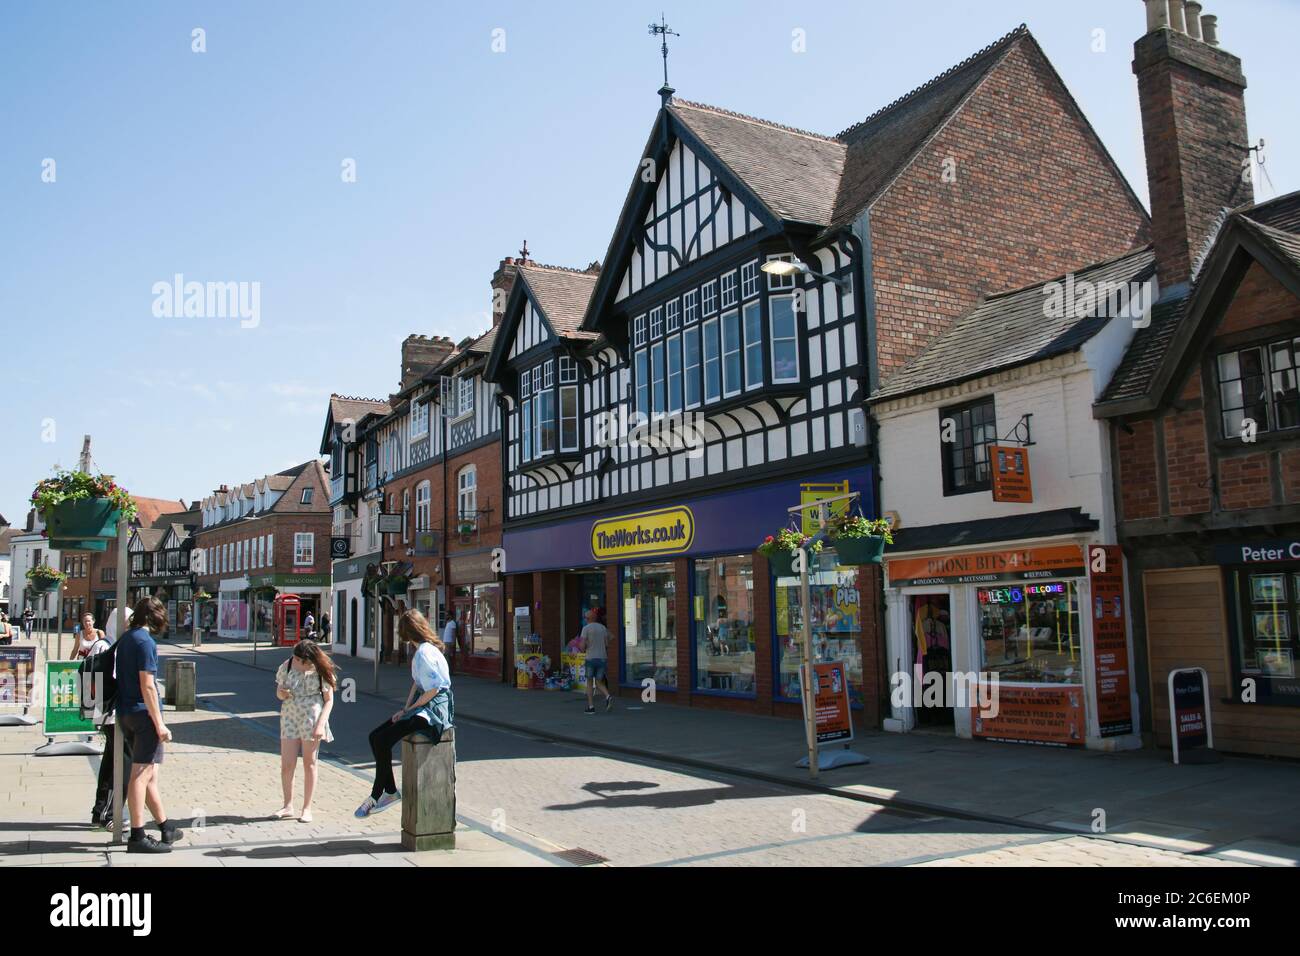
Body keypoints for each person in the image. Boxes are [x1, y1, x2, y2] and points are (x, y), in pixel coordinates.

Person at [355, 609, 452, 818]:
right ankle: (389, 791)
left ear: (406, 633)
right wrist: (405, 709)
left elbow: (433, 689)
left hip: (433, 712)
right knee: (376, 737)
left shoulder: (425, 653)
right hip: (423, 707)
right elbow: (417, 684)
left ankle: (380, 794)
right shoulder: (427, 650)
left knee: (382, 740)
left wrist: (413, 708)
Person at [114, 597, 182, 853]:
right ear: (154, 617)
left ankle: (165, 827)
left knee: (150, 774)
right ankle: (138, 836)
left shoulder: (127, 639)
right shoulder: (145, 643)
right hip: (144, 716)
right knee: (140, 775)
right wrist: (160, 723)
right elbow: (148, 686)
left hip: (126, 712)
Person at [273, 639, 336, 823]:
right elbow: (278, 691)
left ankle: (307, 808)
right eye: (296, 658)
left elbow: (329, 700)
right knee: (287, 764)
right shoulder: (288, 664)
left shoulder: (321, 669)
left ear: (309, 659)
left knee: (309, 763)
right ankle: (287, 805)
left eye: (300, 660)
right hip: (289, 717)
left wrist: (320, 725)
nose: (297, 661)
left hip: (312, 718)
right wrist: (282, 693)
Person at [85, 615, 132, 829]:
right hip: (112, 714)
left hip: (110, 714)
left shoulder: (111, 644)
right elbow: (99, 682)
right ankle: (110, 814)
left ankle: (100, 810)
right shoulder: (107, 646)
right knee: (121, 763)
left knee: (111, 761)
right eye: (128, 621)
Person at [579, 607, 613, 715]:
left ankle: (591, 707)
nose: (584, 619)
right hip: (602, 658)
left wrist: (583, 647)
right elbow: (609, 640)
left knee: (590, 682)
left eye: (585, 618)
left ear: (587, 618)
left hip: (591, 658)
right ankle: (608, 696)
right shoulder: (602, 628)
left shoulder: (586, 628)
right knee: (599, 681)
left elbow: (582, 646)